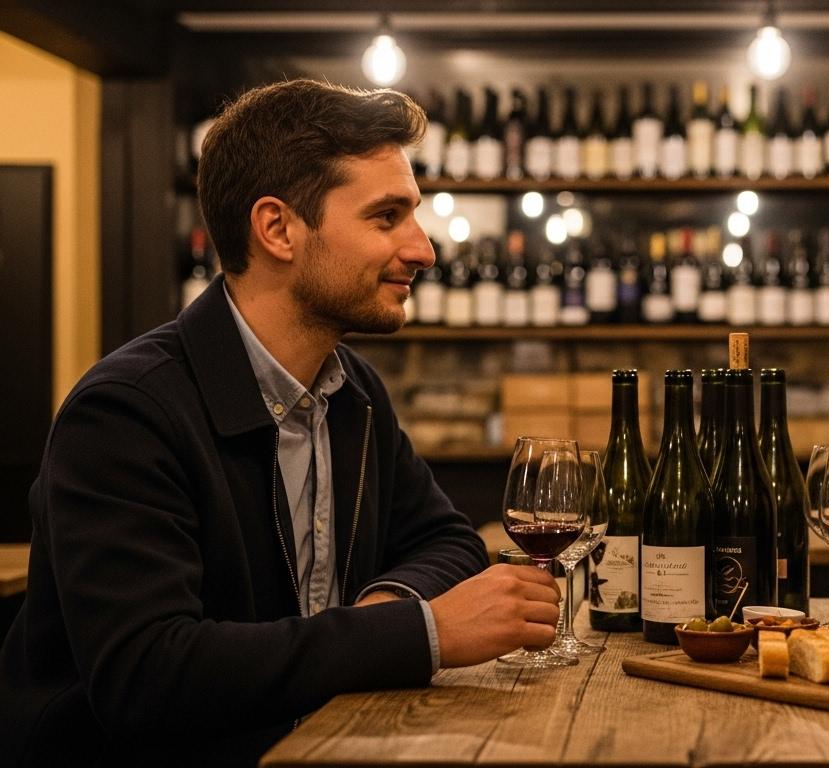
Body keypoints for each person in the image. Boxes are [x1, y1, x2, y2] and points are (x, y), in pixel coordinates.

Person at [0, 80, 563, 765]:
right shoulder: (126, 412)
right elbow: (148, 676)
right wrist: (423, 632)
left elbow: (445, 539)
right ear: (277, 230)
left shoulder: (353, 391)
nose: (423, 250)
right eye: (387, 217)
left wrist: (387, 609)